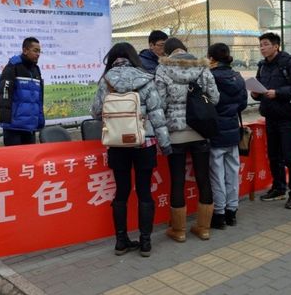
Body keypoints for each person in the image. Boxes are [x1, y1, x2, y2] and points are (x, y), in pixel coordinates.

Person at [91, 42, 172, 257]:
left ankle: (121, 241)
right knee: (144, 191)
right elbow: (157, 114)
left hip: (117, 144)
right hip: (144, 143)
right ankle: (145, 242)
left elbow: (96, 112)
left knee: (122, 192)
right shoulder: (145, 78)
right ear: (133, 57)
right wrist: (165, 144)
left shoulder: (106, 81)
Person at [155, 37, 219, 241]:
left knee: (177, 181)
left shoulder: (162, 69)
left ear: (167, 53)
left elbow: (159, 104)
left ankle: (179, 231)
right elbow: (215, 98)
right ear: (184, 49)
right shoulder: (202, 67)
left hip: (175, 134)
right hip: (200, 131)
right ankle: (204, 228)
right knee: (203, 178)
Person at [251, 32, 291, 209]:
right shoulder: (262, 66)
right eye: (261, 45)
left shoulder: (289, 63)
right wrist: (255, 94)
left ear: (276, 46)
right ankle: (278, 188)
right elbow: (259, 88)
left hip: (287, 117)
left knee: (290, 156)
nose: (262, 48)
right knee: (274, 156)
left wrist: (278, 93)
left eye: (266, 44)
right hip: (270, 117)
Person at [207, 43, 248, 229]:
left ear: (212, 58)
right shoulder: (237, 76)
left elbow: (206, 106)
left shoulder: (210, 77)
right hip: (232, 131)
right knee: (232, 172)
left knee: (217, 175)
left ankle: (219, 214)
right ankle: (232, 212)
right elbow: (243, 104)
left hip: (216, 132)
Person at [0, 37, 45, 146]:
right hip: (13, 127)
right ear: (25, 50)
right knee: (14, 156)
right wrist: (5, 120)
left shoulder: (36, 70)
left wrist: (40, 120)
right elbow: (5, 93)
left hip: (30, 127)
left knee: (30, 156)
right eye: (35, 51)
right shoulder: (13, 67)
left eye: (39, 51)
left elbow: (39, 99)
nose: (38, 54)